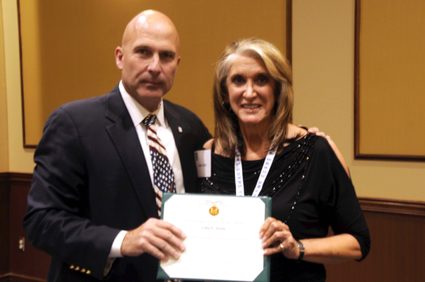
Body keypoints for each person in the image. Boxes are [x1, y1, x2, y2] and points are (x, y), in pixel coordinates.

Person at [23, 10, 211, 282]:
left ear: (177, 63)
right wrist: (123, 240)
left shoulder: (191, 126)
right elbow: (41, 222)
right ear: (120, 58)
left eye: (166, 56)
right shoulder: (73, 124)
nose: (155, 66)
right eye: (143, 52)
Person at [199, 38, 370, 282]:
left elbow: (358, 242)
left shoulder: (315, 150)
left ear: (278, 90)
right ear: (225, 93)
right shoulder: (208, 154)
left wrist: (297, 248)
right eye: (238, 80)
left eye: (261, 79)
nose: (249, 92)